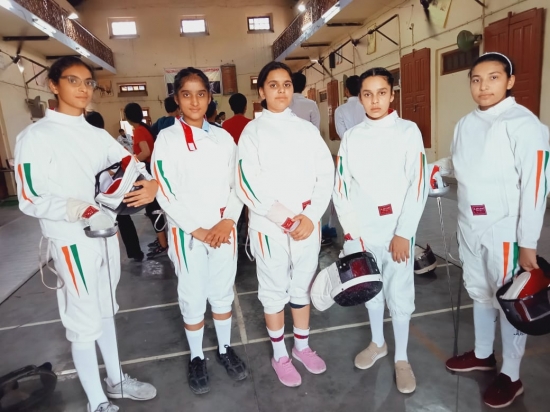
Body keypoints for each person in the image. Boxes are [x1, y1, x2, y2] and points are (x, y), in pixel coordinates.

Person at [14, 56, 157, 412]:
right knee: (83, 320)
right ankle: (97, 402)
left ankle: (116, 380)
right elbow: (30, 197)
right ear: (53, 84)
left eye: (88, 82)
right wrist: (81, 209)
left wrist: (149, 182)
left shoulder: (96, 135)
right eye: (73, 80)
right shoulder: (35, 137)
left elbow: (130, 164)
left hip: (105, 235)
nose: (82, 88)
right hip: (71, 240)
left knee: (106, 310)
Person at [432, 52, 550, 409]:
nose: (483, 86)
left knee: (509, 301)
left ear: (510, 81)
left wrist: (527, 242)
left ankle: (511, 375)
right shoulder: (465, 124)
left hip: (505, 230)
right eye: (476, 79)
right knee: (480, 293)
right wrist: (437, 167)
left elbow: (536, 186)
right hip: (469, 223)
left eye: (493, 77)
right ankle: (483, 354)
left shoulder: (524, 124)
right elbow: (462, 163)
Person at [236, 61, 334, 387]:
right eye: (273, 85)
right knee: (274, 291)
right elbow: (247, 184)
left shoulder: (307, 131)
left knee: (302, 286)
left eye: (287, 84)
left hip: (306, 226)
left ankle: (301, 347)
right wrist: (287, 219)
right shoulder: (253, 132)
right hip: (271, 228)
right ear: (261, 92)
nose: (281, 91)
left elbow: (325, 176)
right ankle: (280, 354)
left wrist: (311, 215)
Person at [151, 67, 247, 395]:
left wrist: (228, 221)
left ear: (209, 98)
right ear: (176, 99)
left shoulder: (223, 138)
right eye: (186, 94)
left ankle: (224, 348)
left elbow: (238, 184)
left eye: (201, 94)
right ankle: (196, 356)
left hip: (223, 231)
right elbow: (164, 190)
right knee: (192, 296)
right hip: (187, 234)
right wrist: (196, 229)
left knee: (222, 292)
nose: (194, 101)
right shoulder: (167, 139)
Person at [332, 67, 428, 394]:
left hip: (397, 232)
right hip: (364, 232)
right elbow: (341, 189)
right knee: (371, 290)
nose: (375, 100)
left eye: (382, 93)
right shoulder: (352, 137)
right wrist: (352, 234)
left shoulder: (408, 131)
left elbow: (417, 185)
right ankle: (377, 343)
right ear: (359, 98)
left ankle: (401, 358)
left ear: (392, 95)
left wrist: (404, 233)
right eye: (368, 94)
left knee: (400, 293)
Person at [86, 112, 145, 263]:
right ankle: (135, 252)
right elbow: (127, 162)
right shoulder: (108, 141)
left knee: (98, 224)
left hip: (96, 193)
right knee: (124, 221)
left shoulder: (87, 144)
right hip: (114, 191)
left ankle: (103, 259)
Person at [123, 102, 169, 259]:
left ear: (128, 117)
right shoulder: (144, 129)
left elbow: (146, 152)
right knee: (153, 208)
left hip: (147, 170)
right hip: (150, 169)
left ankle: (163, 245)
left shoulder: (140, 131)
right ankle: (161, 240)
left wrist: (133, 160)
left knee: (153, 209)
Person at [334, 75, 365, 139]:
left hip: (349, 144)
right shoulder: (368, 107)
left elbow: (342, 135)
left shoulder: (339, 110)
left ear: (346, 91)